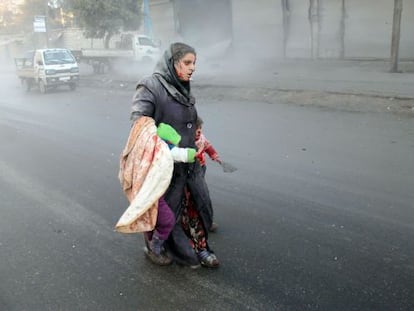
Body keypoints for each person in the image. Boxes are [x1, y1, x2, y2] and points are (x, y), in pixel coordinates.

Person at [130, 42, 219, 268]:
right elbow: (140, 124)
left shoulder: (182, 87)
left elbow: (191, 122)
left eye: (194, 63)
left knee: (197, 207)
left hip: (189, 163)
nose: (192, 68)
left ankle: (200, 247)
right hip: (165, 165)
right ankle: (154, 246)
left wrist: (199, 139)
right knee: (166, 213)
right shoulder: (150, 86)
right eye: (187, 63)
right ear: (172, 62)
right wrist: (168, 148)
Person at [195, 116, 221, 232]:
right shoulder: (185, 139)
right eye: (196, 128)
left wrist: (214, 155)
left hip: (200, 168)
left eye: (200, 128)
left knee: (202, 192)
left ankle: (206, 221)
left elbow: (208, 146)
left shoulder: (201, 138)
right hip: (188, 170)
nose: (199, 130)